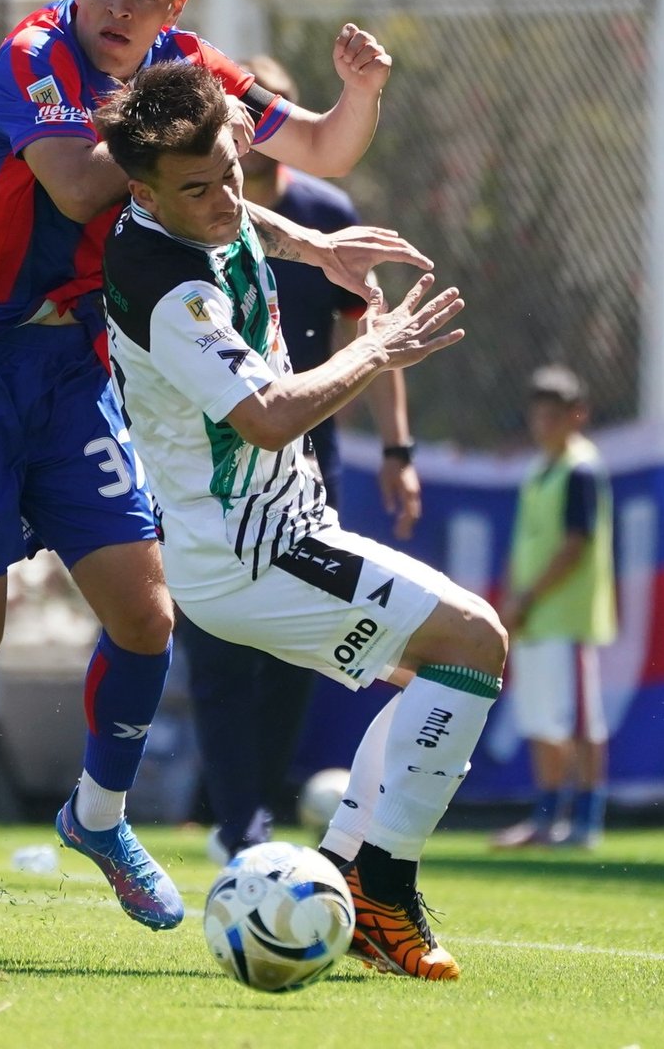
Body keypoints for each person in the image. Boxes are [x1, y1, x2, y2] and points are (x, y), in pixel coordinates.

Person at [0, 0, 421, 933]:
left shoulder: (184, 69)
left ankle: (99, 815)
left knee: (145, 613)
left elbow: (314, 147)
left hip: (71, 366)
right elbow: (83, 188)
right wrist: (176, 122)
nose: (118, 8)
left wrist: (359, 94)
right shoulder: (33, 56)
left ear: (175, 6)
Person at [96, 60, 507, 981]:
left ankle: (352, 871)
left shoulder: (209, 186)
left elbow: (241, 211)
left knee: (442, 669)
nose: (221, 199)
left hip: (277, 531)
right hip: (254, 556)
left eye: (230, 172)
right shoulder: (168, 290)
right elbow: (269, 415)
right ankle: (379, 890)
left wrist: (313, 248)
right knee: (473, 643)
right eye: (194, 189)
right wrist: (379, 350)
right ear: (141, 192)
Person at [180, 53, 423, 863]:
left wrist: (397, 447)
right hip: (208, 464)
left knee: (297, 642)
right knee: (213, 641)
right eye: (234, 108)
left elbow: (369, 338)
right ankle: (236, 818)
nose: (248, 124)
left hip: (307, 464)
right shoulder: (186, 217)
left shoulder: (324, 215)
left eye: (261, 107)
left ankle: (259, 803)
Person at [490, 365, 618, 849]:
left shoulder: (581, 468)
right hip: (535, 620)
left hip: (568, 618)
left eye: (554, 415)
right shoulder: (538, 470)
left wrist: (526, 597)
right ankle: (546, 821)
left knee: (582, 724)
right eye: (537, 415)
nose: (543, 425)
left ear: (576, 416)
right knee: (542, 721)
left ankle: (585, 823)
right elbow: (527, 543)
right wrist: (512, 600)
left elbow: (575, 544)